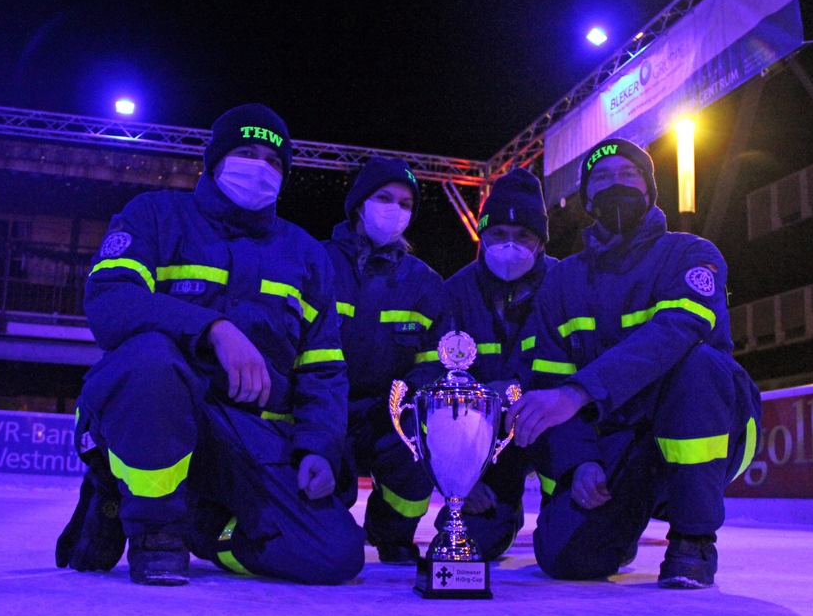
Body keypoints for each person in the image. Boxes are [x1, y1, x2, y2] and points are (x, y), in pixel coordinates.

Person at [55, 103, 364, 586]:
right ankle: (154, 527)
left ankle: (199, 526)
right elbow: (110, 301)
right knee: (151, 360)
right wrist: (212, 329)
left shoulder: (306, 254)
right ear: (214, 160)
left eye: (273, 160)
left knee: (335, 556)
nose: (260, 166)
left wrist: (319, 447)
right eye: (246, 152)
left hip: (246, 435)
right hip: (156, 410)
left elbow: (323, 369)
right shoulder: (155, 216)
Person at [509, 138, 761, 588]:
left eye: (629, 175)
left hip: (699, 424)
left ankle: (694, 538)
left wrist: (580, 392)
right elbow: (548, 385)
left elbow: (677, 330)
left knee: (698, 364)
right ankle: (619, 523)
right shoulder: (562, 281)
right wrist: (579, 463)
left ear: (649, 189)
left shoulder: (691, 255)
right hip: (619, 439)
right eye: (602, 178)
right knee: (563, 557)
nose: (616, 184)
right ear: (586, 198)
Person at [323, 157, 449, 565]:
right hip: (323, 410)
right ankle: (326, 520)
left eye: (406, 203)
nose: (395, 210)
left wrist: (402, 399)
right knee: (326, 526)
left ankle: (393, 532)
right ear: (359, 203)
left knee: (423, 439)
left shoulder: (425, 283)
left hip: (389, 414)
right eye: (384, 197)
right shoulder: (316, 263)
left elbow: (435, 362)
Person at [439, 167, 557, 561]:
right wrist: (459, 479)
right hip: (486, 445)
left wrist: (511, 392)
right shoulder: (454, 292)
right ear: (483, 237)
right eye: (498, 235)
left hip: (554, 429)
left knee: (578, 548)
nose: (510, 246)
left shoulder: (565, 285)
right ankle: (497, 510)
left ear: (540, 242)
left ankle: (581, 517)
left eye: (523, 235)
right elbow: (440, 391)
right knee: (472, 545)